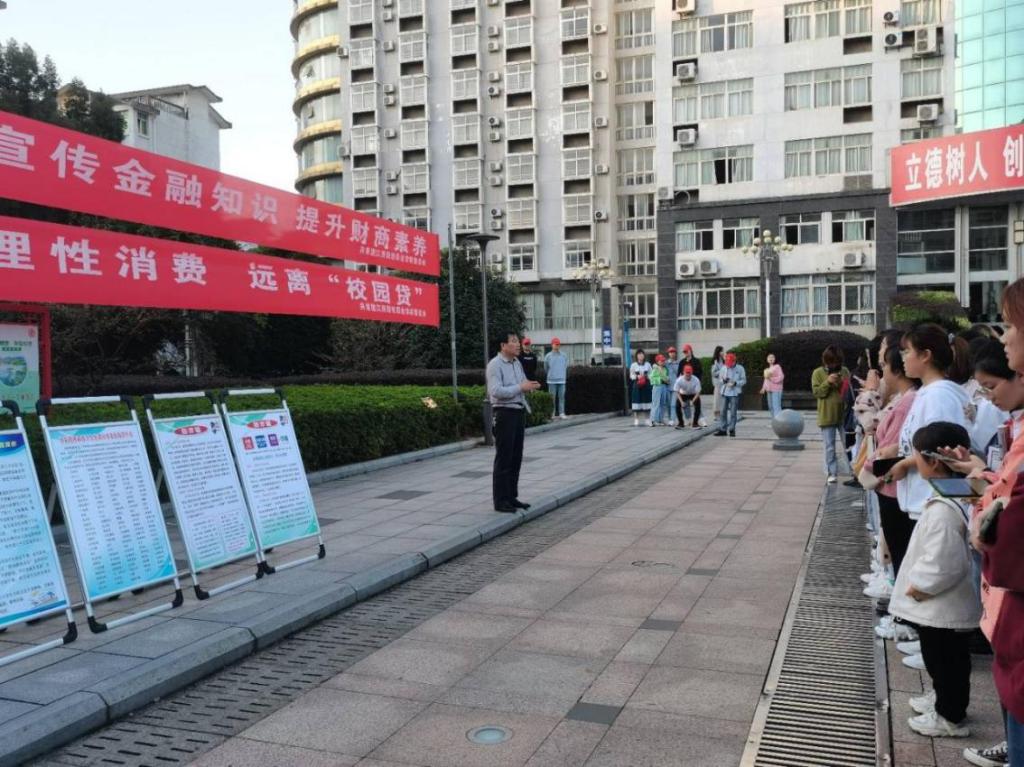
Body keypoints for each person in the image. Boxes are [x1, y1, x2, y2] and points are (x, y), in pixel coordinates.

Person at [888, 421, 980, 738]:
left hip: (941, 603)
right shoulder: (960, 492)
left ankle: (949, 715)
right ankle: (942, 699)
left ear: (933, 461)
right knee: (941, 659)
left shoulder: (944, 509)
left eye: (916, 456)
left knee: (946, 661)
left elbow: (944, 560)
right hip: (941, 605)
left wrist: (920, 587)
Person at [486, 331, 541, 513]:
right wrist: (520, 387)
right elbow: (495, 391)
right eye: (513, 341)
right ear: (503, 345)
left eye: (518, 341)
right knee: (504, 458)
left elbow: (522, 382)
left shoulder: (517, 362)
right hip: (504, 413)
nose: (518, 344)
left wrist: (529, 385)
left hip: (518, 411)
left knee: (516, 457)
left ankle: (511, 496)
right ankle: (500, 500)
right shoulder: (495, 365)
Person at [811, 346, 851, 483]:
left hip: (844, 415)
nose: (834, 365)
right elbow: (817, 393)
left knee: (849, 444)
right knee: (829, 447)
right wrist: (827, 382)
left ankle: (853, 471)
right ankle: (831, 472)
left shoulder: (844, 371)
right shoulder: (818, 373)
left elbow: (847, 392)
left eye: (836, 362)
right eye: (831, 362)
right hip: (827, 415)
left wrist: (840, 382)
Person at [715, 352, 745, 437]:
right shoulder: (724, 368)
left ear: (734, 361)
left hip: (735, 393)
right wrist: (724, 381)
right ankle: (723, 429)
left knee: (733, 412)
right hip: (725, 392)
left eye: (730, 363)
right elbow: (720, 379)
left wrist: (735, 383)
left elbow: (744, 380)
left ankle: (732, 429)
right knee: (722, 411)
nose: (729, 365)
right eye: (727, 363)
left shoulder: (740, 368)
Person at [544, 338, 568, 420]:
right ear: (552, 345)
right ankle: (552, 413)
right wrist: (551, 374)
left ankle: (561, 413)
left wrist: (561, 374)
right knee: (552, 398)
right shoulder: (548, 356)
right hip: (551, 380)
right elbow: (546, 368)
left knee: (561, 397)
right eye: (555, 344)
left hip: (562, 380)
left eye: (558, 344)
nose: (557, 346)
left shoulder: (564, 355)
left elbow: (565, 366)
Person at [674, 364, 702, 429]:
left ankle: (695, 423)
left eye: (689, 373)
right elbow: (676, 391)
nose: (688, 375)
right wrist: (681, 402)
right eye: (686, 373)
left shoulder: (696, 380)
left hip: (693, 394)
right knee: (677, 406)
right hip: (683, 393)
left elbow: (698, 392)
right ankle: (681, 423)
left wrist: (693, 401)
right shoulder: (679, 380)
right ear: (683, 372)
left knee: (698, 405)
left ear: (691, 373)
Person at [630, 349, 653, 427]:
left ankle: (647, 419)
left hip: (646, 385)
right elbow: (631, 375)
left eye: (642, 354)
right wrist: (637, 376)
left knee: (647, 401)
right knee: (636, 401)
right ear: (636, 356)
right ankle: (636, 419)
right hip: (637, 385)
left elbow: (651, 374)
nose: (640, 356)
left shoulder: (648, 364)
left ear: (644, 355)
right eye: (639, 354)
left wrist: (646, 376)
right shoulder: (633, 365)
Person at [761, 353, 785, 417]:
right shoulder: (767, 369)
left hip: (776, 390)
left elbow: (781, 377)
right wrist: (763, 388)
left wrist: (771, 378)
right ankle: (774, 420)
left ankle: (779, 420)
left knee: (776, 406)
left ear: (775, 359)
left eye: (772, 357)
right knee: (770, 406)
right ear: (767, 360)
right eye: (769, 357)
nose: (771, 358)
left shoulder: (777, 367)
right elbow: (766, 379)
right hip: (769, 390)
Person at [650, 354, 670, 426]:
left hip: (664, 387)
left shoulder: (665, 369)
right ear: (657, 361)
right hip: (657, 387)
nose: (663, 362)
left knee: (662, 404)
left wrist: (666, 379)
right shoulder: (655, 369)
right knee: (656, 403)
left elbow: (667, 378)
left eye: (663, 360)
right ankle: (653, 420)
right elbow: (651, 379)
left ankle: (660, 419)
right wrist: (660, 379)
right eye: (661, 361)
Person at [665, 347, 681, 426]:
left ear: (675, 353)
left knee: (673, 404)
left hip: (675, 387)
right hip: (667, 386)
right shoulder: (665, 363)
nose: (672, 354)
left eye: (673, 352)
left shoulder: (679, 363)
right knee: (668, 404)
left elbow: (681, 374)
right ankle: (670, 419)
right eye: (670, 352)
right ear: (668, 354)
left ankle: (672, 419)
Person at [710, 346, 725, 420]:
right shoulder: (715, 361)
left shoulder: (723, 360)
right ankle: (716, 414)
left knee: (722, 399)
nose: (723, 352)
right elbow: (713, 373)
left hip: (723, 383)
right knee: (717, 399)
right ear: (718, 352)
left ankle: (721, 414)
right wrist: (721, 371)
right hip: (717, 383)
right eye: (722, 351)